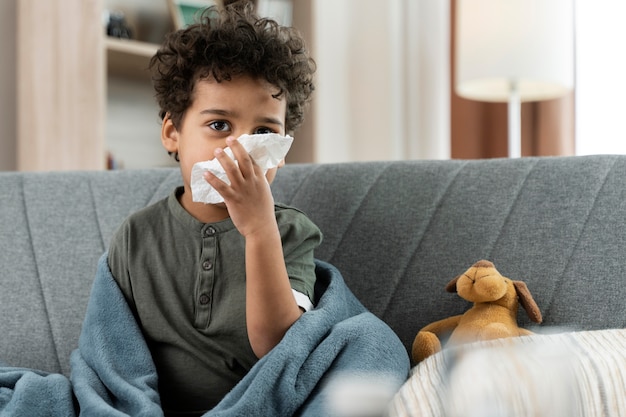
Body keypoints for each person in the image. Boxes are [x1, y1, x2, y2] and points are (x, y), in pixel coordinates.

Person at [106, 2, 322, 415]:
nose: (240, 149)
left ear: (280, 151)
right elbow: (116, 358)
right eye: (220, 125)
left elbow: (278, 347)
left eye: (263, 132)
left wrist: (260, 230)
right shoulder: (137, 237)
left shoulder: (291, 232)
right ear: (172, 133)